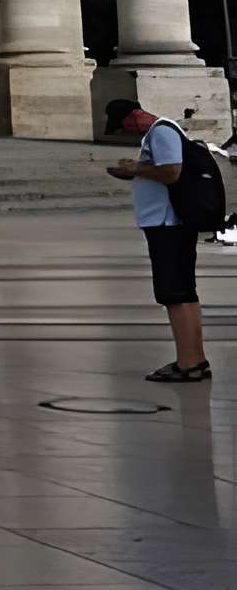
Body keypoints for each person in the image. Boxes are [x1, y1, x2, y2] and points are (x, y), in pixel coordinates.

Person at [105, 98, 210, 383]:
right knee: (181, 293)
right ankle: (194, 359)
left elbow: (171, 172)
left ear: (133, 118)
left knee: (175, 294)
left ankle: (190, 364)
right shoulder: (161, 131)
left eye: (124, 126)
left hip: (169, 224)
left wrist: (135, 170)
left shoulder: (162, 131)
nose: (127, 132)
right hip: (167, 223)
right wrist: (138, 169)